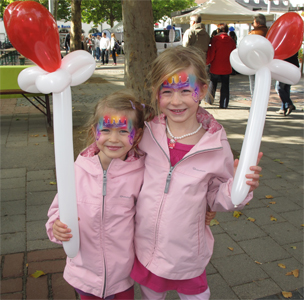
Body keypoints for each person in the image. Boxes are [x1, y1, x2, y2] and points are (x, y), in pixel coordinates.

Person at [131, 46, 263, 300]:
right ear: (156, 93)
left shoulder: (215, 144)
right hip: (145, 245)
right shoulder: (146, 133)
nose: (176, 101)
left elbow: (218, 197)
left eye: (185, 91)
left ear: (202, 90)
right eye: (166, 91)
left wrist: (240, 185)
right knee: (150, 294)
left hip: (187, 251)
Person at [45, 90, 154, 300]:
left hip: (123, 275)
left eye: (123, 131)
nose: (114, 139)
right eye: (106, 130)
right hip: (84, 273)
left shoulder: (141, 173)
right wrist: (56, 226)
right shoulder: (76, 171)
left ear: (138, 135)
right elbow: (57, 210)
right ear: (95, 130)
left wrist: (205, 209)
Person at [206, 23, 236, 108]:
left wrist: (208, 62)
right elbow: (233, 53)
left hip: (216, 66)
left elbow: (211, 53)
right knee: (225, 85)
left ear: (218, 30)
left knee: (212, 83)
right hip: (227, 66)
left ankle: (209, 101)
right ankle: (224, 104)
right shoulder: (231, 40)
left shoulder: (215, 40)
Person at [248, 14, 268, 97]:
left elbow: (248, 44)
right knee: (263, 83)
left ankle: (255, 100)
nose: (252, 24)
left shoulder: (253, 33)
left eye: (253, 22)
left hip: (254, 60)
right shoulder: (269, 31)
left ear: (258, 23)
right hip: (266, 60)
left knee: (253, 83)